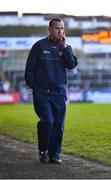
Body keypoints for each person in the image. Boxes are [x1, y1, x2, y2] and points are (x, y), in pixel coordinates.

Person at [25, 17, 78, 164]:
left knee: (58, 125)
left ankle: (54, 155)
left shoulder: (66, 47)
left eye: (62, 28)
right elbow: (29, 70)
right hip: (42, 93)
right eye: (57, 28)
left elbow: (71, 65)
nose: (60, 31)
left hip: (59, 93)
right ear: (49, 29)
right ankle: (43, 150)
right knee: (48, 121)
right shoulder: (39, 46)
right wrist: (35, 87)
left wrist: (65, 47)